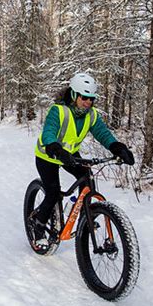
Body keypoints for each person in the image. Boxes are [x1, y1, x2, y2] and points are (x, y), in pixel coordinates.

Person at [32, 72, 135, 249]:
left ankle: (85, 217)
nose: (88, 102)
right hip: (48, 155)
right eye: (84, 97)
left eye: (91, 99)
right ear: (74, 95)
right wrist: (55, 148)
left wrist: (117, 147)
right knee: (53, 191)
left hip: (69, 155)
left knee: (86, 174)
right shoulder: (59, 111)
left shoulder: (91, 115)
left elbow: (103, 133)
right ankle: (39, 225)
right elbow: (49, 131)